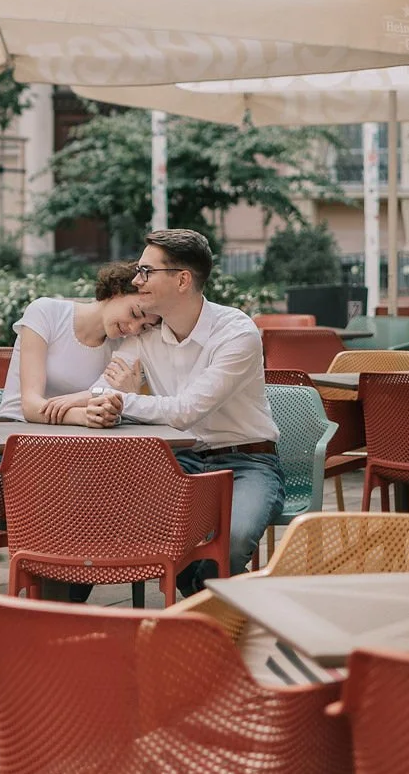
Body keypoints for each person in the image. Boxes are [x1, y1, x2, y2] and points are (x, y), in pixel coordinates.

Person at [90, 228, 284, 595]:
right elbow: (102, 388)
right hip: (180, 461)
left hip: (248, 462)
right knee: (125, 521)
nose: (136, 280)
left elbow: (186, 411)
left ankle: (205, 609)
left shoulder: (236, 332)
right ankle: (206, 609)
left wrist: (126, 401)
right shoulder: (144, 335)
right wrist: (110, 398)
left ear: (182, 280)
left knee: (235, 537)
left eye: (147, 271)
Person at [0, 262, 158, 424]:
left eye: (144, 326)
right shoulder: (46, 312)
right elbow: (30, 407)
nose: (134, 328)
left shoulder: (123, 347)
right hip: (15, 429)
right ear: (116, 290)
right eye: (135, 313)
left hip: (77, 438)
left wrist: (129, 396)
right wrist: (85, 415)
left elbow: (110, 407)